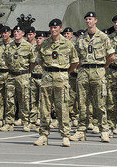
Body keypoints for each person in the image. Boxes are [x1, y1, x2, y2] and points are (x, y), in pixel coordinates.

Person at [70, 12, 115, 143]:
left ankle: (104, 131)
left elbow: (111, 56)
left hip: (98, 71)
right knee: (82, 104)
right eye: (87, 19)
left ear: (96, 20)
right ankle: (81, 131)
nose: (88, 21)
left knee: (100, 103)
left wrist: (103, 67)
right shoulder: (81, 39)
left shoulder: (103, 37)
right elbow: (75, 57)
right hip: (83, 72)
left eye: (90, 19)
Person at [34, 19, 79, 147]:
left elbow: (75, 62)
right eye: (51, 28)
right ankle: (43, 135)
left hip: (62, 78)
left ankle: (65, 135)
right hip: (47, 78)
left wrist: (64, 73)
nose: (53, 30)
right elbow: (40, 61)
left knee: (63, 108)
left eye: (55, 28)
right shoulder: (45, 44)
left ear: (60, 28)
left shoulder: (68, 44)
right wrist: (49, 71)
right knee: (45, 107)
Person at [0, 25, 35, 132]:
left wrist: (27, 72)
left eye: (18, 31)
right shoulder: (9, 46)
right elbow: (6, 61)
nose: (16, 33)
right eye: (15, 31)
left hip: (23, 75)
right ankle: (9, 123)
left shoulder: (28, 46)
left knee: (24, 99)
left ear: (23, 33)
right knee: (9, 99)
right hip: (11, 75)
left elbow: (32, 62)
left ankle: (25, 122)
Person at [0, 26, 12, 128]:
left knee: (10, 98)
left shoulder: (13, 45)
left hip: (10, 73)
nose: (4, 35)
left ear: (9, 33)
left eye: (6, 33)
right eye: (2, 33)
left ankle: (9, 120)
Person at [28, 31, 47, 131]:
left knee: (43, 100)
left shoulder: (46, 49)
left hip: (43, 77)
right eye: (38, 38)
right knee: (33, 99)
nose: (38, 40)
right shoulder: (33, 49)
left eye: (41, 38)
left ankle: (41, 119)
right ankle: (33, 120)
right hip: (34, 77)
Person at [63, 27, 79, 127]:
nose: (66, 35)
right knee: (66, 97)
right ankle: (67, 117)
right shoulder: (61, 46)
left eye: (68, 34)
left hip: (75, 74)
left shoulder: (75, 45)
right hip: (65, 75)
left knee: (76, 97)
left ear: (72, 35)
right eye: (64, 34)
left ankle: (75, 117)